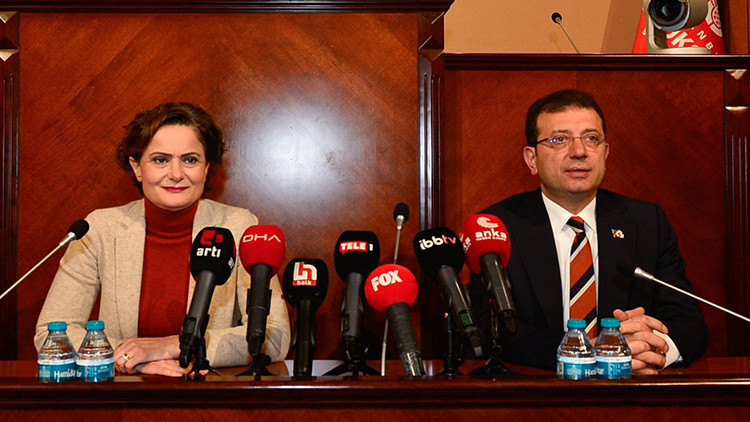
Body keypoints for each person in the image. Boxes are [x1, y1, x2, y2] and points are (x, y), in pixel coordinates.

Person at [34, 102, 290, 377]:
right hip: (125, 393)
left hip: (207, 392)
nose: (176, 174)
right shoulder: (99, 229)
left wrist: (171, 346)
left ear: (206, 167)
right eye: (160, 160)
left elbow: (274, 336)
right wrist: (133, 358)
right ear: (137, 168)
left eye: (190, 160)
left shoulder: (239, 227)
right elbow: (50, 333)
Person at [468, 89, 708, 375]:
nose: (579, 151)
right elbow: (490, 329)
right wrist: (588, 354)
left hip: (632, 391)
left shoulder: (645, 222)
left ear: (605, 153)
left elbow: (688, 321)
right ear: (532, 159)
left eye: (591, 138)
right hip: (536, 391)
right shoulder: (496, 226)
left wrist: (653, 351)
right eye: (559, 140)